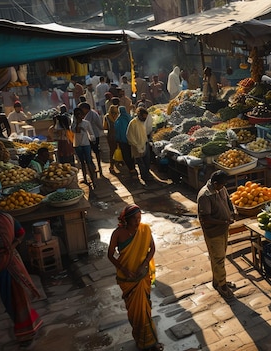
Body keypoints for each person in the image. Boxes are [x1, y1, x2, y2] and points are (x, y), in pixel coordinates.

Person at [107, 204, 162, 351]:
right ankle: (141, 339)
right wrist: (124, 269)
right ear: (127, 220)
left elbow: (152, 249)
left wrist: (144, 264)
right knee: (135, 312)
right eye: (135, 219)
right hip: (126, 279)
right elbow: (110, 255)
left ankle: (151, 342)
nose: (138, 221)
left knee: (144, 310)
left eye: (139, 218)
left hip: (142, 276)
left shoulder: (145, 229)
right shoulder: (118, 233)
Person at [0, 211, 43, 348]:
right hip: (7, 263)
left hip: (8, 264)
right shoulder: (7, 218)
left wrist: (12, 245)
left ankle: (26, 333)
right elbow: (21, 232)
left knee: (16, 299)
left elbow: (21, 232)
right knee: (12, 299)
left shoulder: (6, 219)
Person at [197, 170, 236, 300]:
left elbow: (228, 200)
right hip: (214, 232)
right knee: (218, 259)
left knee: (219, 257)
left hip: (224, 229)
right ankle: (223, 286)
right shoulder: (205, 196)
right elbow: (205, 218)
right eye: (221, 184)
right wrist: (223, 221)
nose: (223, 186)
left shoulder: (221, 188)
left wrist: (232, 211)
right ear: (214, 183)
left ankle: (217, 281)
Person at [127, 107, 154, 184]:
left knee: (147, 161)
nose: (145, 118)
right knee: (141, 163)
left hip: (145, 144)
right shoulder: (133, 123)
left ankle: (147, 174)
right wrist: (137, 146)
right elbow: (129, 136)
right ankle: (144, 177)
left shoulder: (142, 123)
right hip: (136, 147)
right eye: (144, 117)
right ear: (139, 115)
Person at [71, 107, 97, 187]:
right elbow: (75, 131)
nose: (79, 116)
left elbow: (91, 134)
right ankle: (85, 178)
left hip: (86, 144)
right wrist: (78, 124)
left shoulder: (86, 123)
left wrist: (92, 140)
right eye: (77, 115)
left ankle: (93, 180)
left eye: (80, 114)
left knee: (88, 162)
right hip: (77, 145)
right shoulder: (73, 124)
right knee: (82, 162)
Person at [80, 102, 104, 176]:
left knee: (96, 151)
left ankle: (99, 166)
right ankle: (92, 167)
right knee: (89, 152)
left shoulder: (93, 114)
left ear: (85, 109)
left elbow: (99, 124)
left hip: (94, 135)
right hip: (87, 137)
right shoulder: (85, 115)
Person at [115, 106, 137, 178]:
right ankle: (133, 167)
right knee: (131, 154)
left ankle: (131, 168)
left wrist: (117, 139)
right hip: (131, 139)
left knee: (126, 154)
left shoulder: (119, 120)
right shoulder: (129, 117)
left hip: (123, 140)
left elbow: (117, 131)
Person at [105, 105, 122, 173]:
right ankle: (119, 161)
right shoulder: (118, 116)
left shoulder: (107, 117)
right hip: (118, 135)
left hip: (110, 136)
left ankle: (111, 166)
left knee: (112, 151)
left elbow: (105, 127)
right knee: (119, 149)